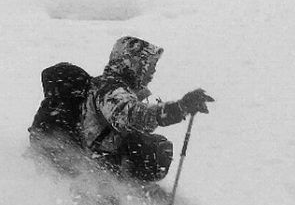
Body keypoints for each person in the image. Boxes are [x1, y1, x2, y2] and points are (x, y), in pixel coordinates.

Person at [80, 36, 213, 184]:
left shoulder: (118, 88)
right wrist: (180, 108)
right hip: (100, 169)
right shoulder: (109, 88)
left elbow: (139, 123)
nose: (153, 70)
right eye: (149, 64)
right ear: (133, 62)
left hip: (110, 167)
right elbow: (132, 117)